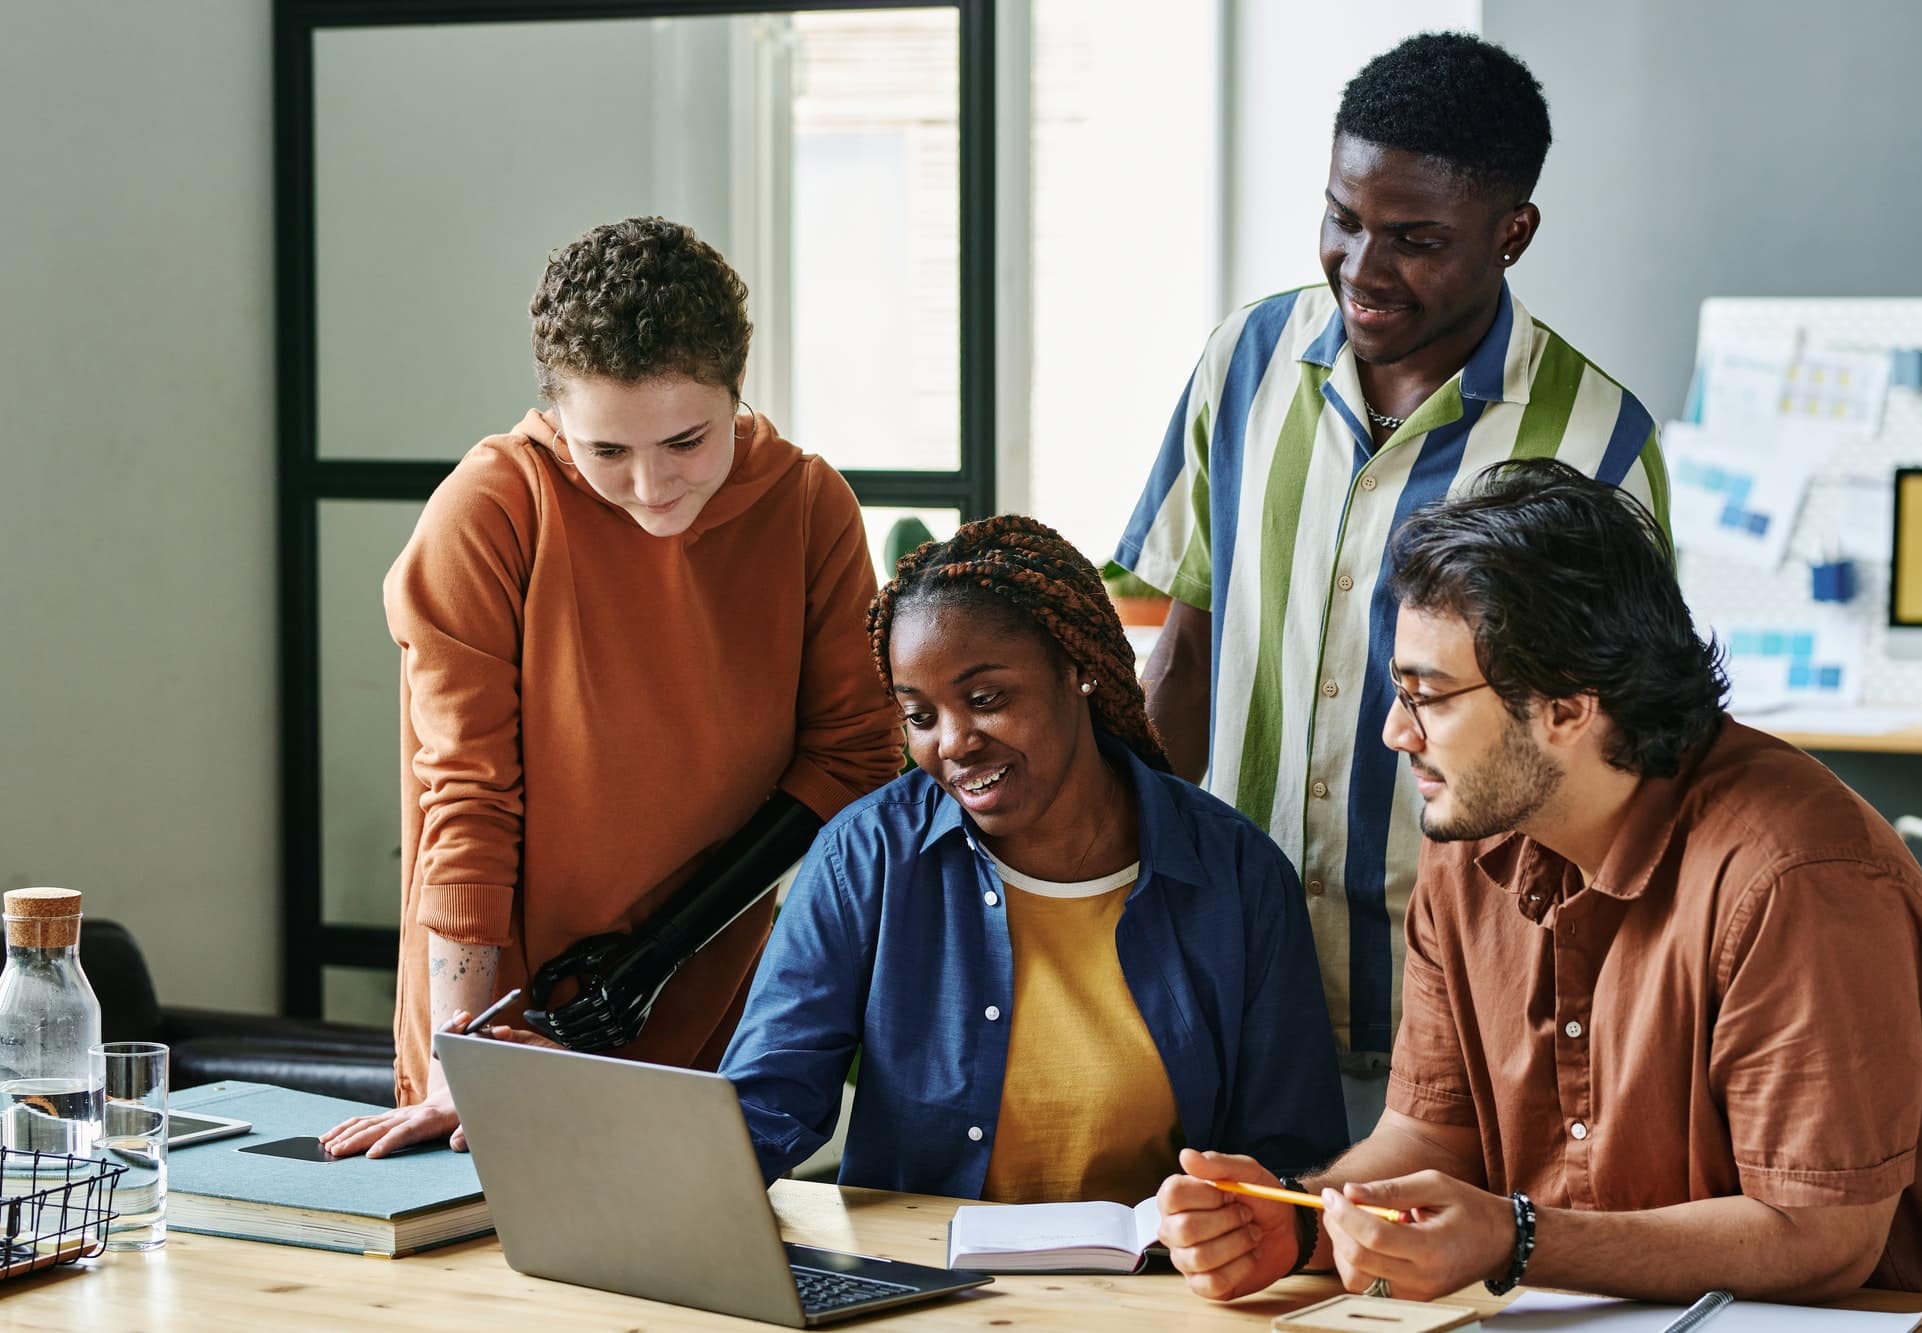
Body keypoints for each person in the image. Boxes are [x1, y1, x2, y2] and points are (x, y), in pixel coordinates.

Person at [1155, 459, 1922, 1302]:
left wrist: (1516, 1239)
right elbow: (1431, 1133)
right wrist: (1303, 1219)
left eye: (1430, 697)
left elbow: (1819, 1238)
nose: (1392, 732)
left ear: (1567, 708)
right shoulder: (1473, 839)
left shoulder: (1796, 878)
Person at [1114, 33, 1668, 1139]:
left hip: (1461, 1020)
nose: (1361, 267)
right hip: (1226, 986)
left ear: (1511, 234)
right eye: (1342, 218)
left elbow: (1615, 763)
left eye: (1414, 240)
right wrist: (1117, 913)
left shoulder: (1596, 442)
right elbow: (1181, 650)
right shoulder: (1245, 358)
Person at [321, 217, 903, 1158]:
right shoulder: (493, 509)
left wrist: (656, 956)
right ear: (555, 415)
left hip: (708, 987)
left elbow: (850, 758)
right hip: (496, 1012)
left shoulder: (808, 507)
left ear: (737, 390)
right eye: (607, 452)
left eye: (685, 440)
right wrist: (466, 1058)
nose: (651, 486)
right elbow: (464, 792)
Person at [717, 516, 1347, 1203]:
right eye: (919, 715)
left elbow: (1290, 1161)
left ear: (1077, 668)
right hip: (921, 1292)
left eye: (986, 699)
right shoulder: (866, 859)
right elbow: (762, 1105)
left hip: (1156, 1294)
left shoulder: (1238, 876)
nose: (953, 743)